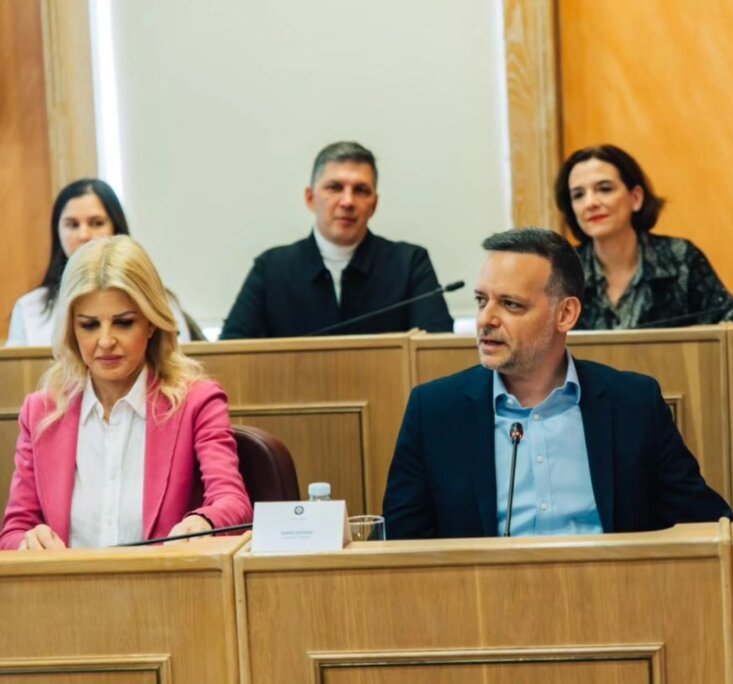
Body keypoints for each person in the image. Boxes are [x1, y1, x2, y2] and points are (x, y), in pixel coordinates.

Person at [382, 227, 732, 539]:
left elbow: (705, 523)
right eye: (481, 300)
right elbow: (401, 547)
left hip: (609, 588)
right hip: (483, 592)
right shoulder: (434, 411)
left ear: (565, 314)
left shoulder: (634, 403)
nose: (486, 319)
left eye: (510, 304)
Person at [0, 236, 252, 550]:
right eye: (89, 325)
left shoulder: (196, 402)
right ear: (71, 328)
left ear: (151, 323)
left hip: (167, 578)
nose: (106, 341)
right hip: (70, 581)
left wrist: (205, 521)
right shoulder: (41, 411)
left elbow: (233, 502)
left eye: (123, 323)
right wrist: (27, 542)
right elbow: (13, 531)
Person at [220, 141, 453, 338]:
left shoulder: (410, 263)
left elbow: (436, 350)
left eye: (361, 190)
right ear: (310, 198)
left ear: (374, 204)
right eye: (335, 187)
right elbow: (232, 350)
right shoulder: (271, 268)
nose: (348, 202)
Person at [554, 144, 733, 329]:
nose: (590, 203)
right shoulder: (563, 272)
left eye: (604, 189)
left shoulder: (680, 258)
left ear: (636, 198)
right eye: (578, 195)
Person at [6, 178, 196, 346]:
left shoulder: (158, 299)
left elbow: (178, 364)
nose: (84, 235)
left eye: (96, 223)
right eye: (72, 224)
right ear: (58, 232)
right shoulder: (29, 308)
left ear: (116, 229)